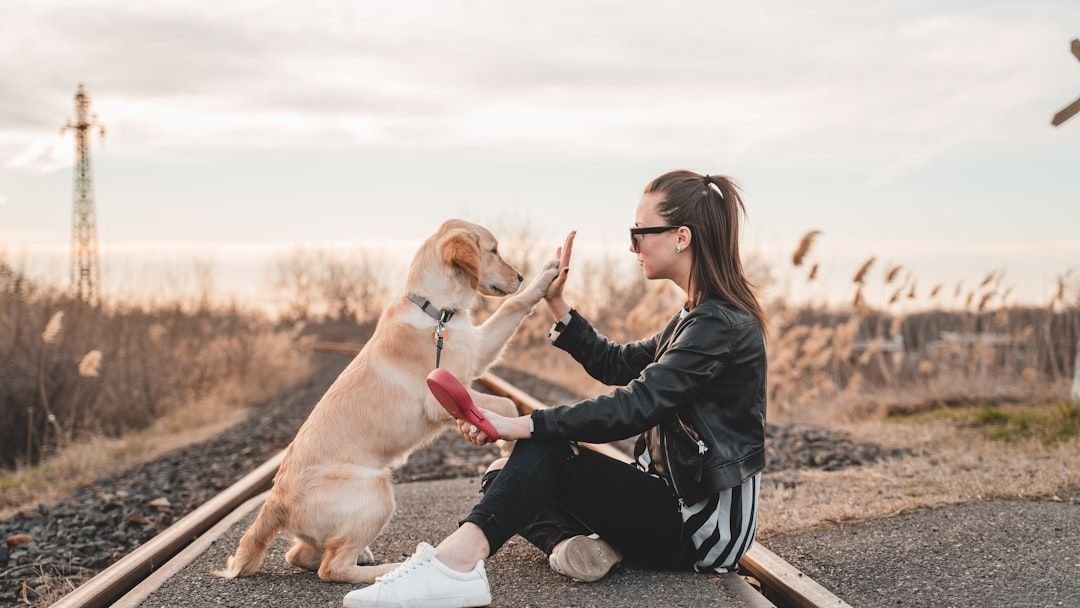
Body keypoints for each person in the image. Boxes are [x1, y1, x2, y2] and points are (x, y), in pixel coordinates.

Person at [343, 170, 768, 608]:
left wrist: (521, 424)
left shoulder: (718, 325)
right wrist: (557, 304)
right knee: (503, 475)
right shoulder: (695, 318)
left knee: (542, 449)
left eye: (639, 232)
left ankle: (455, 565)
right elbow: (617, 364)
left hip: (701, 527)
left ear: (681, 237)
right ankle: (572, 547)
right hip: (670, 504)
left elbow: (636, 405)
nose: (631, 246)